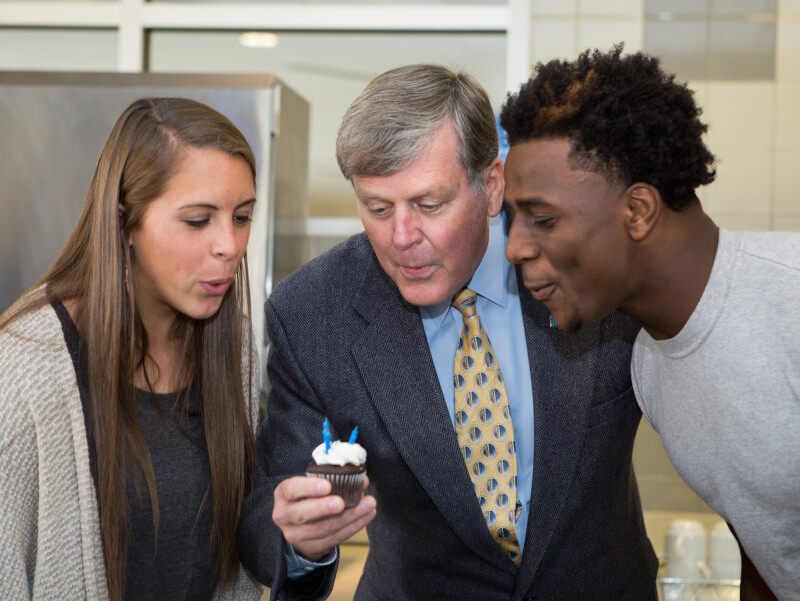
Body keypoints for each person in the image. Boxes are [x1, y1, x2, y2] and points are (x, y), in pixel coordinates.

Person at [239, 63, 657, 600]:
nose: (401, 237)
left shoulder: (585, 260)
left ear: (491, 186)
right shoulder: (316, 311)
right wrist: (300, 542)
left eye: (429, 205)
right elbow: (266, 515)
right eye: (378, 208)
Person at [500, 45, 800, 601]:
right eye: (512, 219)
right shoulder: (650, 364)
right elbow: (765, 546)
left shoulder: (790, 301)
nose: (515, 247)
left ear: (637, 211)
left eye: (543, 219)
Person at [0, 97, 263, 601]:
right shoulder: (27, 364)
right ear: (125, 223)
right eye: (198, 220)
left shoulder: (235, 353)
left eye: (242, 216)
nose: (229, 245)